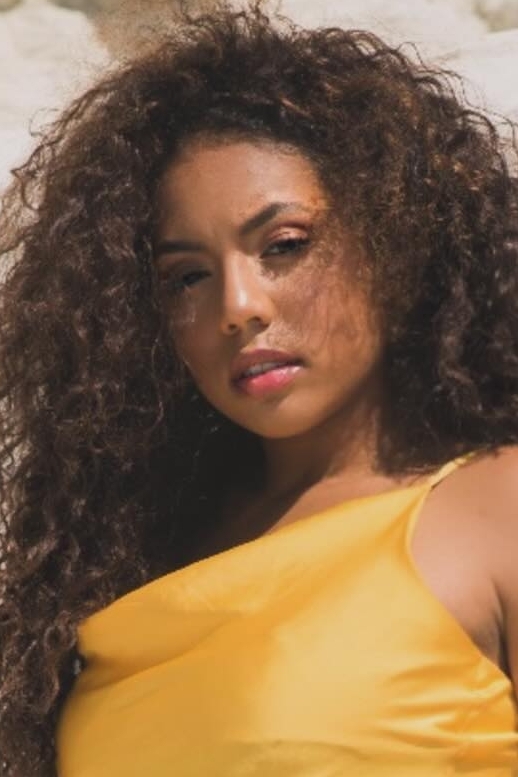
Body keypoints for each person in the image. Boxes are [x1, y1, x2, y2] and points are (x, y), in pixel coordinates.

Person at [1, 3, 517, 775]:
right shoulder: (132, 564)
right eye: (187, 277)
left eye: (285, 245)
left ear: (396, 235)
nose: (237, 306)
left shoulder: (495, 507)